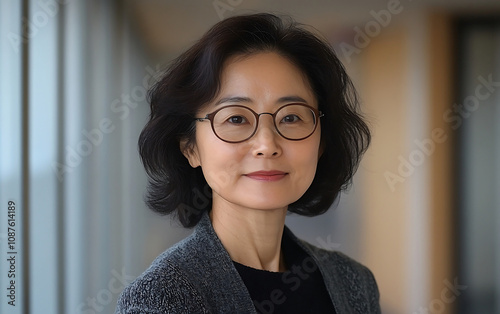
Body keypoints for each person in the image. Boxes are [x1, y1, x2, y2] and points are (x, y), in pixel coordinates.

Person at [116, 13, 380, 314]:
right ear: (190, 148)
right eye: (236, 118)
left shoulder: (354, 283)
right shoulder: (163, 297)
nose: (267, 145)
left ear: (321, 142)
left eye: (291, 117)